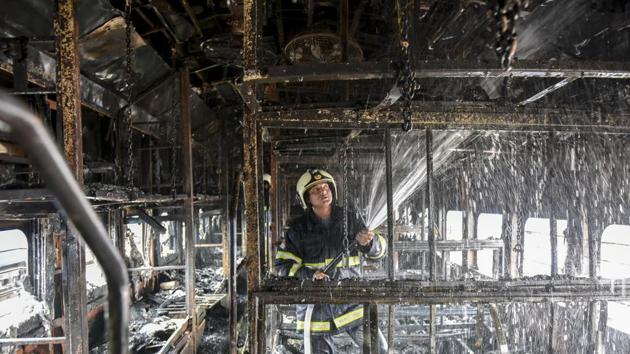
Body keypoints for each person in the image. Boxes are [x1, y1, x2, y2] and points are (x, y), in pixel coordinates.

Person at [275, 169, 388, 354]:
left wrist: (369, 243)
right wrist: (310, 274)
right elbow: (282, 266)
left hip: (351, 301)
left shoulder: (351, 219)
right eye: (315, 190)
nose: (323, 192)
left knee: (379, 349)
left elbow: (381, 251)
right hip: (316, 307)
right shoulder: (297, 231)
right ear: (306, 198)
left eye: (325, 186)